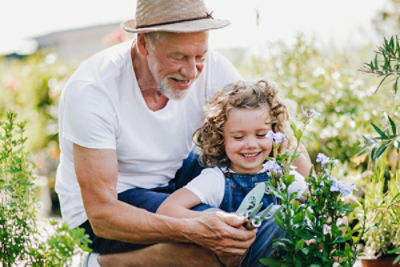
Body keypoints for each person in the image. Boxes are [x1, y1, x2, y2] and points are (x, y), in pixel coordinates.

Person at [55, 0, 312, 266]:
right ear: (143, 44)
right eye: (178, 57)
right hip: (112, 206)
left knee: (243, 220)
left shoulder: (211, 66)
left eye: (199, 56)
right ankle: (104, 263)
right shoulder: (93, 90)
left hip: (174, 181)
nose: (191, 71)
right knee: (216, 246)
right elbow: (102, 216)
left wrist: (318, 201)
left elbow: (274, 129)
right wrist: (195, 229)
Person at [157, 80, 307, 266]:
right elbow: (167, 209)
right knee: (279, 215)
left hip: (280, 260)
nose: (251, 144)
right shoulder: (216, 179)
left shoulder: (283, 176)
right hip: (235, 260)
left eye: (261, 135)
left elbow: (317, 205)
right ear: (221, 138)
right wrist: (213, 219)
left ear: (275, 133)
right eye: (238, 137)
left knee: (289, 216)